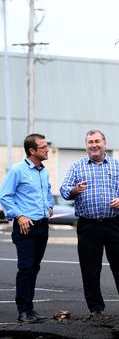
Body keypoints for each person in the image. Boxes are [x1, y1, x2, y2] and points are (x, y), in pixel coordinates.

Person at [59, 130, 119, 317]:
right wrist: (75, 190)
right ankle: (96, 308)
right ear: (86, 145)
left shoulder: (117, 165)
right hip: (88, 226)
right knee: (90, 268)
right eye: (90, 142)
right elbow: (64, 191)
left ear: (104, 143)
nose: (94, 145)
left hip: (114, 224)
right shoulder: (77, 167)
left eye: (97, 141)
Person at [0, 134, 54, 323]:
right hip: (25, 227)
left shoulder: (43, 171)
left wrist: (49, 206)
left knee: (34, 268)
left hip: (42, 226)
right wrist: (19, 216)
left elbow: (47, 190)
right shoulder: (18, 170)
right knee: (26, 268)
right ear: (32, 151)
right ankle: (23, 311)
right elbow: (5, 196)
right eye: (43, 147)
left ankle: (30, 310)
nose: (47, 149)